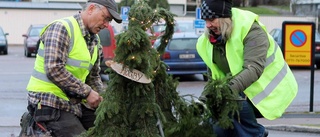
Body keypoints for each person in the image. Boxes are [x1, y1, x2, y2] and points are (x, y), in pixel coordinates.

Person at [20, 0, 122, 136]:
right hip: (48, 101)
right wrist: (87, 93)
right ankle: (32, 124)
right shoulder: (62, 28)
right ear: (91, 9)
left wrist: (103, 100)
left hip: (73, 101)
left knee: (105, 128)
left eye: (109, 21)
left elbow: (93, 77)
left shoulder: (95, 40)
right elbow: (54, 68)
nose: (106, 25)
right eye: (106, 18)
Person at [196, 0, 298, 137]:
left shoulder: (251, 30)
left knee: (230, 102)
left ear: (225, 17)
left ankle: (256, 133)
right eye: (205, 20)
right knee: (218, 129)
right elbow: (214, 80)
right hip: (239, 93)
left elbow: (253, 68)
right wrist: (201, 102)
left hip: (269, 93)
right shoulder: (207, 43)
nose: (208, 25)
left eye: (212, 19)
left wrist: (225, 90)